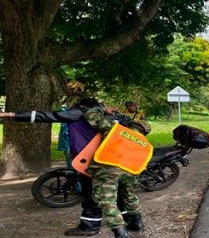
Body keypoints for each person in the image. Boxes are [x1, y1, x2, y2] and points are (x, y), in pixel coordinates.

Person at [0, 94, 105, 236]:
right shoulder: (107, 115)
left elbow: (45, 116)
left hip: (91, 161)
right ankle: (133, 221)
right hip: (111, 160)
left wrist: (10, 115)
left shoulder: (79, 113)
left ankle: (90, 227)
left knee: (91, 194)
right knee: (124, 191)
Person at [83, 105, 151, 238]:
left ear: (131, 124)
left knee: (107, 201)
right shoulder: (146, 145)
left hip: (108, 170)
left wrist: (102, 109)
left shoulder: (116, 129)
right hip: (130, 173)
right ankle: (137, 224)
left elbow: (91, 116)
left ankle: (121, 233)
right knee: (130, 196)